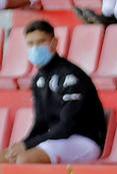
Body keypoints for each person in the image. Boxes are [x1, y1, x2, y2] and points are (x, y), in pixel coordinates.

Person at [0, 20, 108, 166]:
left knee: (24, 159)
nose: (35, 48)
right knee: (5, 157)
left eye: (40, 42)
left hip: (84, 140)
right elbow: (40, 124)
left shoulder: (71, 76)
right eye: (31, 44)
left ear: (54, 43)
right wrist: (23, 144)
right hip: (56, 140)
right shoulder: (38, 80)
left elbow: (67, 126)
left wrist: (27, 146)